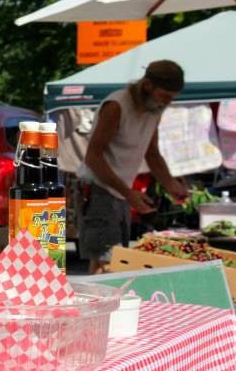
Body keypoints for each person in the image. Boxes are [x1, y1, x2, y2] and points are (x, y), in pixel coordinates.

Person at [78, 60, 189, 274]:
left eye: (172, 97)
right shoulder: (117, 106)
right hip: (98, 190)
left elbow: (152, 153)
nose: (168, 102)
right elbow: (93, 157)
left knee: (116, 260)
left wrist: (171, 184)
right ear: (147, 85)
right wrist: (129, 193)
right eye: (165, 95)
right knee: (106, 262)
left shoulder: (154, 109)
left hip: (119, 192)